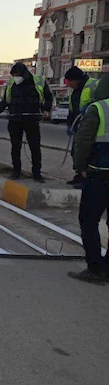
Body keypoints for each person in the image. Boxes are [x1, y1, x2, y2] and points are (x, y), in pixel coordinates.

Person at [69, 77, 109, 284]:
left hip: (100, 173)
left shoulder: (98, 108)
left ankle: (95, 269)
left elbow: (83, 141)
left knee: (89, 220)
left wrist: (80, 167)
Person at [0, 62, 53, 182]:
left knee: (35, 147)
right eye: (13, 75)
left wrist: (46, 109)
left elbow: (48, 97)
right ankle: (16, 171)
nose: (15, 77)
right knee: (15, 147)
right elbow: (6, 100)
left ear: (24, 73)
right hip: (15, 119)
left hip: (32, 119)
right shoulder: (12, 83)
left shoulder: (38, 81)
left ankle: (36, 174)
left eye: (17, 75)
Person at [63, 66, 100, 188]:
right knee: (76, 151)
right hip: (79, 125)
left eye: (69, 82)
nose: (68, 85)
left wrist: (89, 107)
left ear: (75, 80)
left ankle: (86, 178)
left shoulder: (93, 85)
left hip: (92, 124)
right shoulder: (75, 91)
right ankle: (79, 174)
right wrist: (69, 124)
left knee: (86, 150)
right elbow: (72, 109)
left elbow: (101, 101)